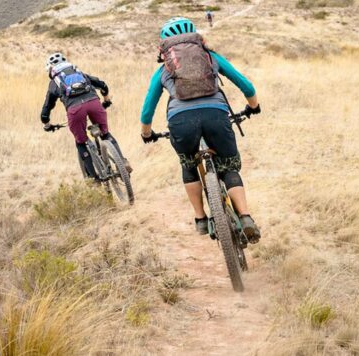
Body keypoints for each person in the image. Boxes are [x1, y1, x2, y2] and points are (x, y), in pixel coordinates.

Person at [140, 18, 262, 241]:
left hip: (180, 121)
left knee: (188, 164)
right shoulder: (210, 57)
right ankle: (245, 217)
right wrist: (253, 107)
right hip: (215, 115)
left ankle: (201, 219)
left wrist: (146, 133)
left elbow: (148, 108)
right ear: (196, 38)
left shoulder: (164, 69)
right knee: (229, 166)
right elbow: (246, 85)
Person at [41, 52, 129, 182]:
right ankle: (122, 162)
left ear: (50, 69)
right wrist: (105, 100)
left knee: (81, 142)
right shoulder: (79, 73)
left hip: (75, 111)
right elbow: (102, 85)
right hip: (94, 103)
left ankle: (93, 179)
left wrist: (47, 124)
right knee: (105, 134)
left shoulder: (54, 83)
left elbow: (46, 109)